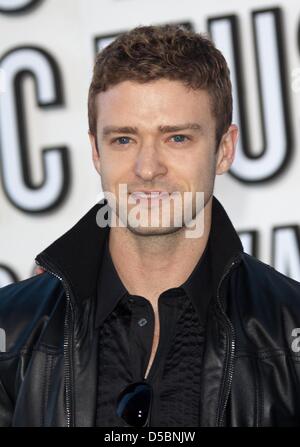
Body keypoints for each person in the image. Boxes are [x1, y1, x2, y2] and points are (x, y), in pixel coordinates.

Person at [1, 24, 300, 428]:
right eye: (124, 140)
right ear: (95, 151)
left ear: (224, 149)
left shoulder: (288, 329)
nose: (147, 168)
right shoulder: (12, 328)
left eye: (176, 138)